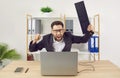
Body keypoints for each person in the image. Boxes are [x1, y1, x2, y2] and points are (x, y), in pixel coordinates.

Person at [29, 21, 94, 52]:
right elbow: (32, 49)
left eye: (60, 30)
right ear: (51, 31)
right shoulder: (46, 39)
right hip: (51, 64)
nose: (58, 33)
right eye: (55, 31)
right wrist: (35, 40)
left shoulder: (68, 36)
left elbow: (83, 40)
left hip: (66, 63)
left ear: (63, 30)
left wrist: (89, 31)